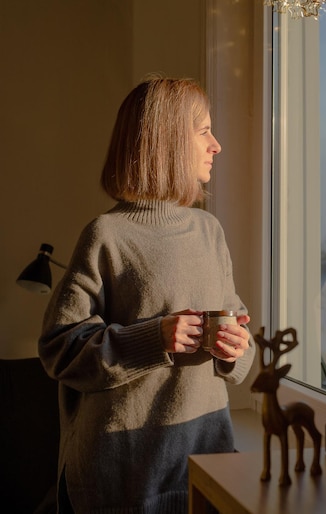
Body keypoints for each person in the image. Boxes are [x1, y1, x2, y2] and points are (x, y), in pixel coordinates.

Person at [38, 76, 255, 514]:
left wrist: (236, 349)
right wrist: (153, 339)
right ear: (168, 140)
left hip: (206, 469)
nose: (217, 145)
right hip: (123, 483)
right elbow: (59, 348)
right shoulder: (107, 235)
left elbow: (240, 337)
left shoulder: (209, 231)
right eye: (203, 131)